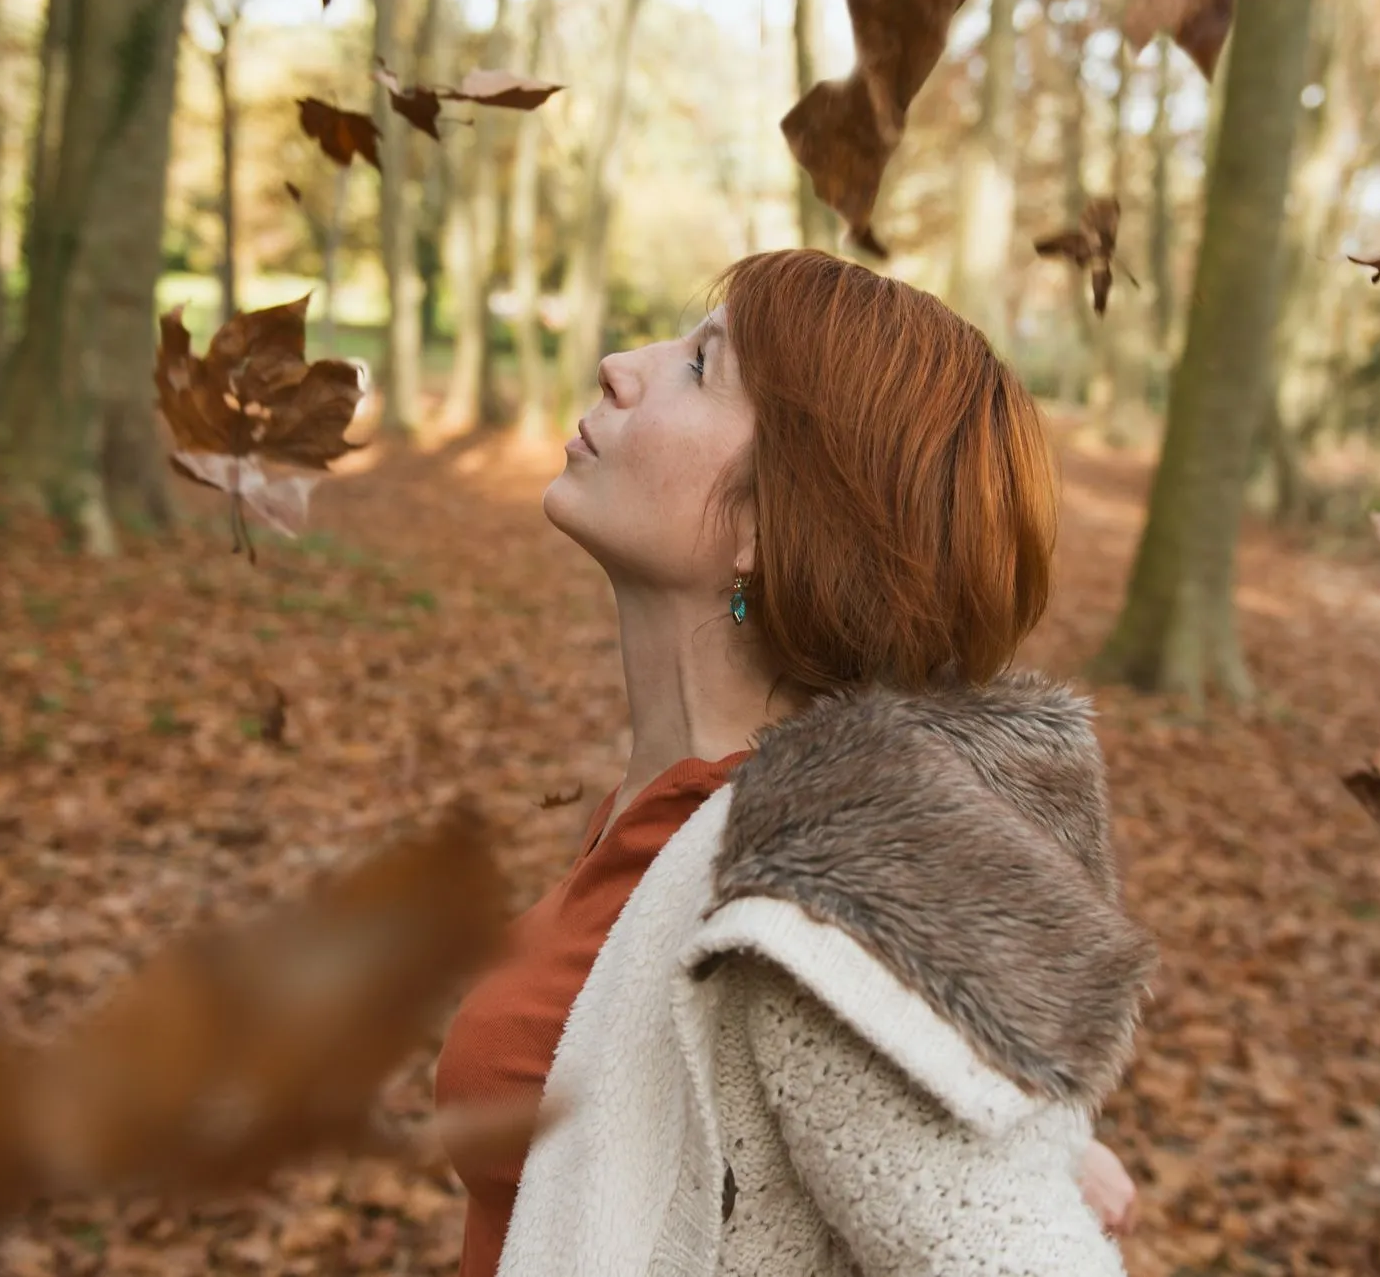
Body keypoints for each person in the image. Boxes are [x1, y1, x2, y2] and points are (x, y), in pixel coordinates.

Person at [434, 249, 1158, 1276]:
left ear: (773, 523)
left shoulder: (817, 901)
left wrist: (1019, 1162)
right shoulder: (686, 828)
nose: (617, 365)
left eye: (697, 368)